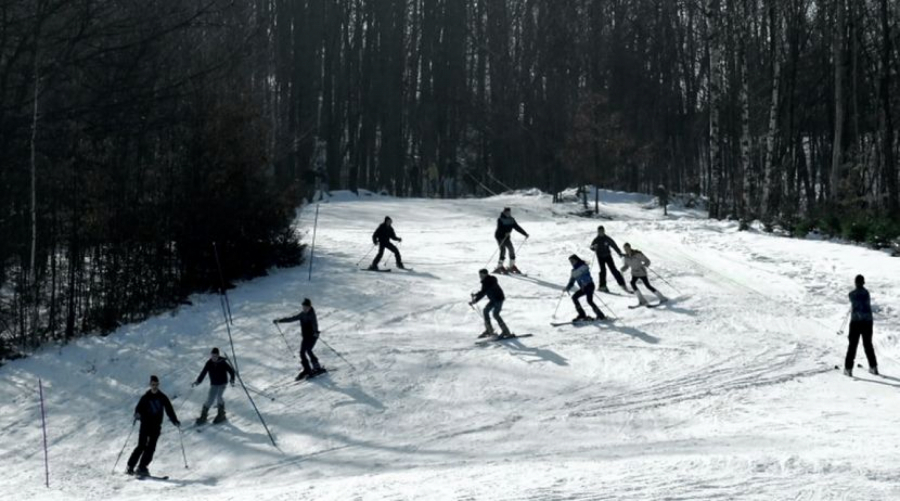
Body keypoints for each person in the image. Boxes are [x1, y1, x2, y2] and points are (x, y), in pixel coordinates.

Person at [126, 375, 180, 477]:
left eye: (156, 384)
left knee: (151, 448)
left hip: (156, 426)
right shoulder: (145, 397)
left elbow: (169, 410)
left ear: (158, 385)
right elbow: (138, 409)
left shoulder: (162, 397)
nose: (154, 386)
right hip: (145, 425)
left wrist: (175, 421)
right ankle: (130, 466)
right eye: (152, 384)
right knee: (141, 445)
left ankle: (142, 467)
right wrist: (137, 414)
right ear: (150, 385)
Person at [274, 298, 323, 380]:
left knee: (308, 350)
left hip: (312, 336)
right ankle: (307, 369)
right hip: (305, 337)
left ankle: (316, 366)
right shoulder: (302, 314)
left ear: (310, 307)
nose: (304, 309)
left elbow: (315, 324)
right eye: (303, 307)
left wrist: (316, 332)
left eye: (306, 307)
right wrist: (280, 320)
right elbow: (292, 318)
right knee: (302, 353)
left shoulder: (312, 315)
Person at [844, 274, 877, 377]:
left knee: (852, 345)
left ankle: (848, 369)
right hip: (867, 321)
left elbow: (850, 296)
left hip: (856, 322)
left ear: (855, 282)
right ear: (863, 283)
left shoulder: (852, 294)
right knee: (868, 345)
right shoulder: (866, 293)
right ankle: (873, 367)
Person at [191, 347, 235, 425]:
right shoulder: (209, 363)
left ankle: (221, 414)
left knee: (219, 396)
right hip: (214, 384)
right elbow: (203, 373)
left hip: (222, 383)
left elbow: (231, 371)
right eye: (212, 356)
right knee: (210, 399)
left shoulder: (223, 362)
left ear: (218, 355)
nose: (214, 357)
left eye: (215, 356)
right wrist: (198, 381)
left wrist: (232, 379)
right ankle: (203, 416)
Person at [469, 269, 511, 338]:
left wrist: (475, 298)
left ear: (485, 274)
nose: (480, 276)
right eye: (479, 275)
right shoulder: (485, 282)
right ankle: (489, 330)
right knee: (486, 311)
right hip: (493, 300)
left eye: (481, 275)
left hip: (498, 299)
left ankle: (506, 331)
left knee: (495, 314)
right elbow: (483, 292)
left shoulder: (491, 280)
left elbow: (484, 292)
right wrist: (475, 298)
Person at [565, 254, 606, 322]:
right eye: (570, 261)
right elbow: (572, 281)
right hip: (583, 287)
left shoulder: (583, 267)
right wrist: (568, 287)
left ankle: (601, 315)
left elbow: (587, 276)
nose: (571, 263)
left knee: (589, 301)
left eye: (572, 261)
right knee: (574, 297)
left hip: (589, 285)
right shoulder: (574, 271)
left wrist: (584, 282)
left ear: (576, 260)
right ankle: (582, 314)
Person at [590, 226, 629, 293]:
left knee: (613, 269)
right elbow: (591, 247)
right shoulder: (596, 240)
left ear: (604, 231)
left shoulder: (607, 239)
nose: (601, 233)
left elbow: (614, 245)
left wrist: (619, 253)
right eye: (599, 231)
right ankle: (602, 286)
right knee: (603, 271)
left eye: (602, 231)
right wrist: (593, 247)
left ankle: (622, 284)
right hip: (600, 257)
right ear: (598, 232)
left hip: (608, 256)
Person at [494, 207, 529, 274]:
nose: (508, 213)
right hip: (499, 236)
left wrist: (525, 234)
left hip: (507, 237)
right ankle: (499, 266)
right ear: (504, 212)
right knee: (503, 250)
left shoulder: (511, 219)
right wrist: (505, 232)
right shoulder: (500, 219)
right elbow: (500, 228)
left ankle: (511, 266)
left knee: (511, 249)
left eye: (509, 212)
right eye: (506, 212)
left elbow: (517, 227)